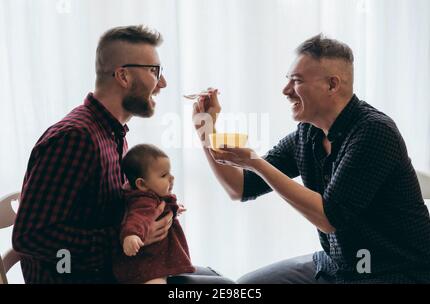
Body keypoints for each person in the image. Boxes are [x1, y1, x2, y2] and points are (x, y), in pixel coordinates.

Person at [192, 34, 430, 283]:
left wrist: (255, 162)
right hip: (336, 265)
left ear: (332, 85)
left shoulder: (374, 132)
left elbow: (329, 218)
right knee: (247, 286)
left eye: (296, 81)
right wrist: (205, 130)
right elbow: (240, 186)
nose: (285, 91)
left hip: (394, 271)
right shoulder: (308, 133)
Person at [12, 25, 174, 283]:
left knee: (220, 282)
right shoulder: (74, 138)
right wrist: (122, 238)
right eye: (155, 71)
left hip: (113, 272)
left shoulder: (112, 132)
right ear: (123, 76)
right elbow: (30, 237)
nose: (162, 83)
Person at [112, 144, 195, 284]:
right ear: (142, 184)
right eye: (163, 175)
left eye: (170, 172)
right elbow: (137, 219)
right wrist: (131, 235)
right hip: (146, 265)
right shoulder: (143, 201)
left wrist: (173, 209)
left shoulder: (153, 196)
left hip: (155, 262)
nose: (171, 178)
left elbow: (157, 211)